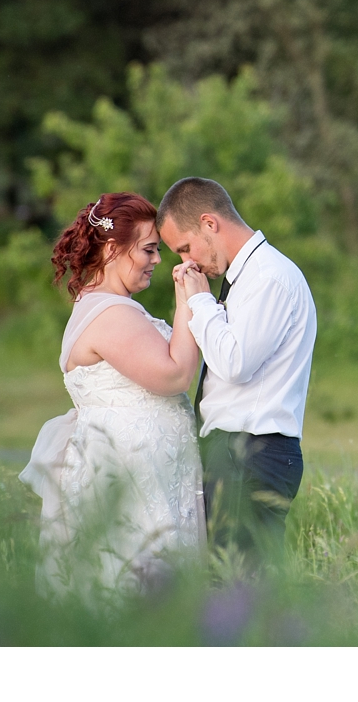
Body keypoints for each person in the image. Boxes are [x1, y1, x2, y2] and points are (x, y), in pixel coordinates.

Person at [19, 191, 204, 594]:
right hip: (131, 483)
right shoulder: (109, 314)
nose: (157, 259)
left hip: (145, 478)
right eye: (150, 249)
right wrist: (189, 299)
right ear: (111, 248)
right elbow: (174, 376)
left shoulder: (108, 307)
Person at [157, 176, 317, 565]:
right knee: (228, 585)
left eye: (185, 247)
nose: (187, 261)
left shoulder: (269, 278)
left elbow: (235, 364)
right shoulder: (247, 277)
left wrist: (201, 301)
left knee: (244, 588)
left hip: (250, 452)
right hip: (235, 451)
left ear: (210, 224)